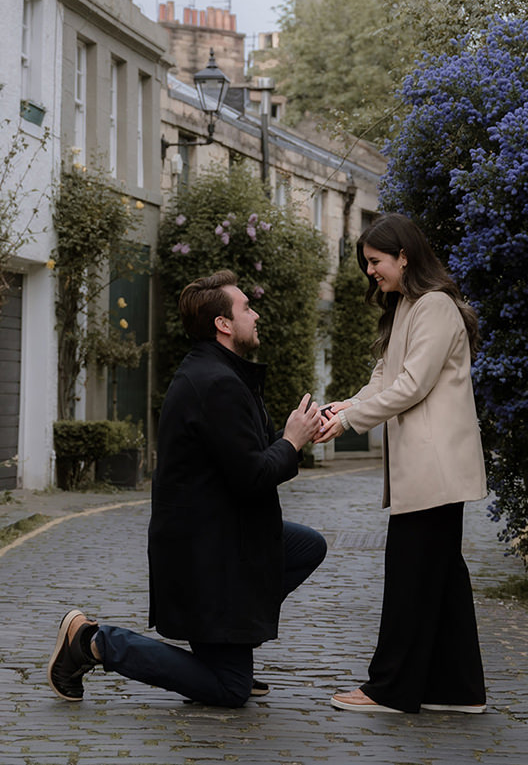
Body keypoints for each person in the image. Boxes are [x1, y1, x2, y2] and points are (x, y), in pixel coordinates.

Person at [47, 269, 328, 707]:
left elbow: (243, 457)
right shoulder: (216, 384)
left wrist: (302, 432)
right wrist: (292, 442)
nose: (256, 315)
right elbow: (252, 476)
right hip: (205, 555)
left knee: (304, 547)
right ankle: (92, 642)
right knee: (229, 691)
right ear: (223, 324)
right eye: (246, 308)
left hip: (219, 536)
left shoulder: (223, 374)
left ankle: (230, 646)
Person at [318, 212, 489, 714]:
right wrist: (341, 408)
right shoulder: (406, 307)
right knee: (441, 580)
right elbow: (382, 379)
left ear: (404, 256)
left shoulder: (434, 306)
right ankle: (458, 691)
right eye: (367, 263)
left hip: (434, 468)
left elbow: (411, 386)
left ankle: (389, 690)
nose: (370, 271)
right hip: (427, 469)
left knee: (412, 580)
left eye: (375, 261)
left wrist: (349, 422)